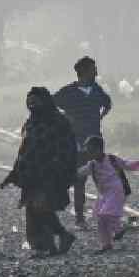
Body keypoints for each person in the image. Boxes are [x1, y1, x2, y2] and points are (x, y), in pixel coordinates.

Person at [0, 87, 78, 258]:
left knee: (40, 206)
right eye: (29, 102)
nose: (32, 105)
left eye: (36, 102)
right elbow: (24, 151)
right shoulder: (31, 122)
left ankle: (62, 236)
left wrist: (63, 171)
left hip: (51, 174)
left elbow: (68, 149)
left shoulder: (59, 122)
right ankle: (50, 245)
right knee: (35, 210)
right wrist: (14, 173)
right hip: (32, 176)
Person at [53, 56, 112, 228]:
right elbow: (51, 102)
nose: (96, 72)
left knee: (103, 178)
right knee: (80, 180)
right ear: (84, 72)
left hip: (95, 140)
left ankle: (107, 215)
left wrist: (99, 117)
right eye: (93, 69)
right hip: (77, 142)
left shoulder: (96, 90)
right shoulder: (69, 92)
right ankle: (80, 218)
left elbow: (108, 104)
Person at [75, 135, 139, 252]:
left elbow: (128, 164)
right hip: (104, 195)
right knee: (100, 220)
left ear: (99, 149)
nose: (89, 154)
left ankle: (118, 230)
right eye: (88, 151)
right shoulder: (92, 165)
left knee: (105, 214)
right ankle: (106, 244)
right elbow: (81, 172)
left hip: (116, 192)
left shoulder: (112, 159)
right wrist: (69, 174)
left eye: (91, 151)